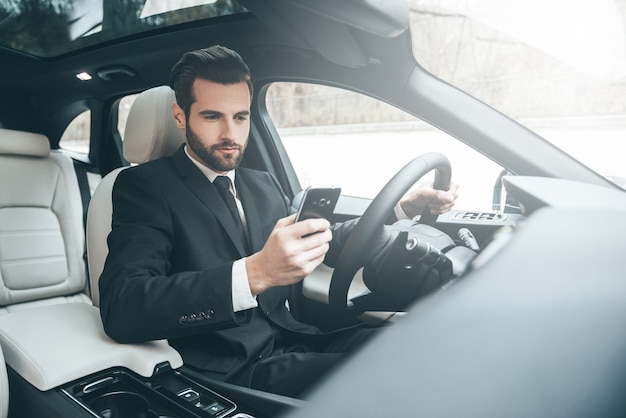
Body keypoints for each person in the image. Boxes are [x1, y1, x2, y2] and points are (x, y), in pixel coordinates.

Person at [99, 45, 459, 398]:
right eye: (212, 116)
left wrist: (402, 210)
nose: (230, 133)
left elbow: (318, 241)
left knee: (417, 344)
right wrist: (254, 274)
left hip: (296, 338)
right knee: (395, 376)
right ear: (180, 117)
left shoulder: (262, 183)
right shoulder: (144, 186)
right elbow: (123, 306)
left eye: (240, 116)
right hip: (233, 368)